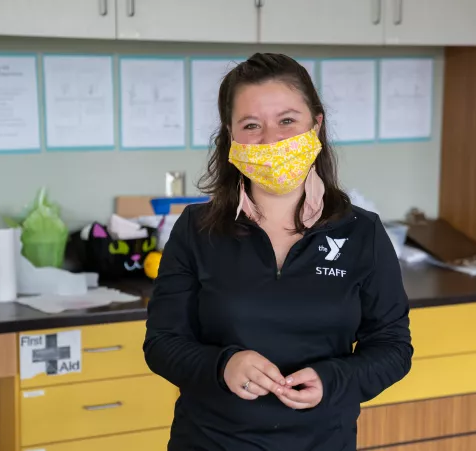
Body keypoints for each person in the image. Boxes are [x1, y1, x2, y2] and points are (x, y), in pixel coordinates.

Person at [143, 52, 413, 451]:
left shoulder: (363, 232)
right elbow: (162, 343)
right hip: (210, 441)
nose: (271, 139)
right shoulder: (195, 229)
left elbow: (393, 348)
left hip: (322, 441)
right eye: (251, 125)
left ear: (316, 125)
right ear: (230, 136)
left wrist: (334, 380)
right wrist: (223, 366)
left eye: (287, 120)